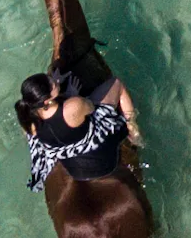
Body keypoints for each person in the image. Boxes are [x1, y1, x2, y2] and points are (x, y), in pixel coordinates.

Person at [16, 70, 145, 191]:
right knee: (116, 84)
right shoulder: (73, 106)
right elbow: (91, 108)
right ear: (47, 100)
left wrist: (56, 88)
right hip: (102, 161)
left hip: (76, 170)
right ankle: (132, 127)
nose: (54, 80)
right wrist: (71, 95)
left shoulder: (27, 119)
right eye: (52, 82)